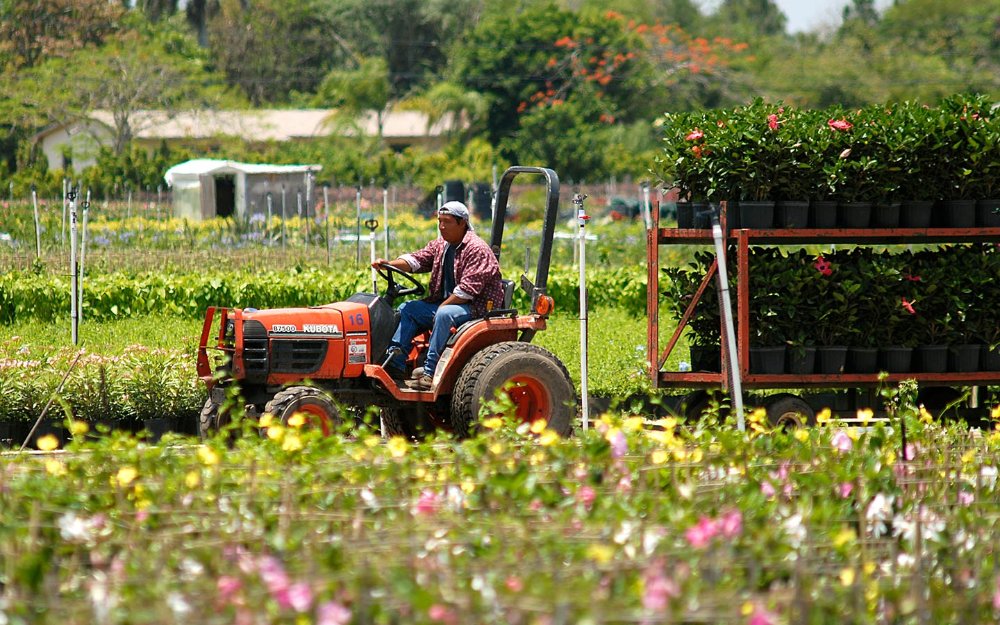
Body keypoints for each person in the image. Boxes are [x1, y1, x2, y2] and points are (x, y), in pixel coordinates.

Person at [373, 201, 504, 390]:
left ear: (462, 223)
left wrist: (442, 307)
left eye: (447, 222)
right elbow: (416, 260)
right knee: (408, 309)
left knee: (444, 314)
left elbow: (466, 291)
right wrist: (389, 264)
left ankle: (429, 372)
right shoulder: (442, 245)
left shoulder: (477, 249)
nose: (442, 226)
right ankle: (395, 363)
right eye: (439, 221)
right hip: (448, 302)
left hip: (475, 307)